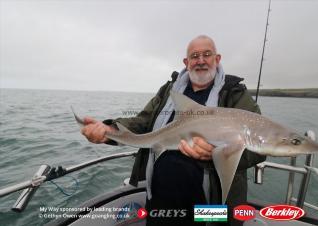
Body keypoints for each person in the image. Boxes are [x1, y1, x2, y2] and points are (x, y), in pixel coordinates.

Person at [81, 35, 266, 226]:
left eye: (207, 54)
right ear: (186, 62)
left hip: (209, 206)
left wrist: (215, 155)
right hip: (160, 200)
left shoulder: (234, 94)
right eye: (194, 56)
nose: (200, 61)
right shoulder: (170, 90)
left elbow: (260, 146)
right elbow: (143, 122)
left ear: (217, 59)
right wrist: (109, 129)